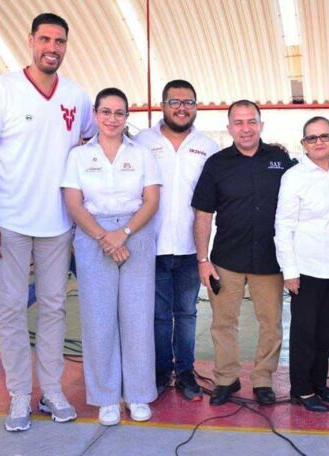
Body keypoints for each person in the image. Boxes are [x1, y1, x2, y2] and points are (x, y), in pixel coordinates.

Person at [0, 13, 96, 432]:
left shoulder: (77, 97)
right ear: (30, 41)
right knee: (10, 310)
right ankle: (20, 394)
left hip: (57, 223)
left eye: (60, 41)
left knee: (55, 308)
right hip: (7, 222)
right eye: (45, 39)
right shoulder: (2, 88)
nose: (52, 47)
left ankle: (52, 390)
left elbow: (95, 143)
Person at [62, 87, 161, 426]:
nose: (112, 119)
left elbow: (151, 200)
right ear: (96, 115)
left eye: (119, 113)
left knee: (137, 317)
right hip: (94, 236)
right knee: (98, 318)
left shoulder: (143, 154)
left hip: (136, 232)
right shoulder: (78, 157)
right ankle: (105, 397)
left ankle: (137, 394)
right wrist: (105, 237)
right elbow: (74, 203)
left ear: (126, 117)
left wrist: (125, 233)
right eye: (106, 112)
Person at [192, 100, 292, 406]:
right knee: (223, 323)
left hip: (270, 261)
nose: (245, 128)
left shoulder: (281, 161)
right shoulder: (216, 164)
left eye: (251, 122)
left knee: (270, 323)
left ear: (261, 125)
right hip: (227, 260)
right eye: (239, 122)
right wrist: (203, 260)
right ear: (229, 127)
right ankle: (226, 378)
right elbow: (203, 214)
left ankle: (263, 379)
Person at [134, 79, 219, 400]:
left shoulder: (207, 146)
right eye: (175, 102)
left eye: (188, 102)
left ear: (196, 107)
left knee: (186, 313)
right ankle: (159, 371)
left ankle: (185, 372)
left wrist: (206, 253)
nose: (182, 108)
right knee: (157, 314)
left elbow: (213, 203)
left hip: (190, 249)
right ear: (163, 105)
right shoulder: (142, 142)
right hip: (150, 246)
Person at [274, 116, 329, 413]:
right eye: (312, 138)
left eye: (324, 136)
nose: (319, 142)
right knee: (305, 332)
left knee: (326, 330)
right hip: (306, 268)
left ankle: (319, 383)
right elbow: (283, 226)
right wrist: (289, 272)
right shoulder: (294, 177)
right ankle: (302, 390)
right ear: (303, 144)